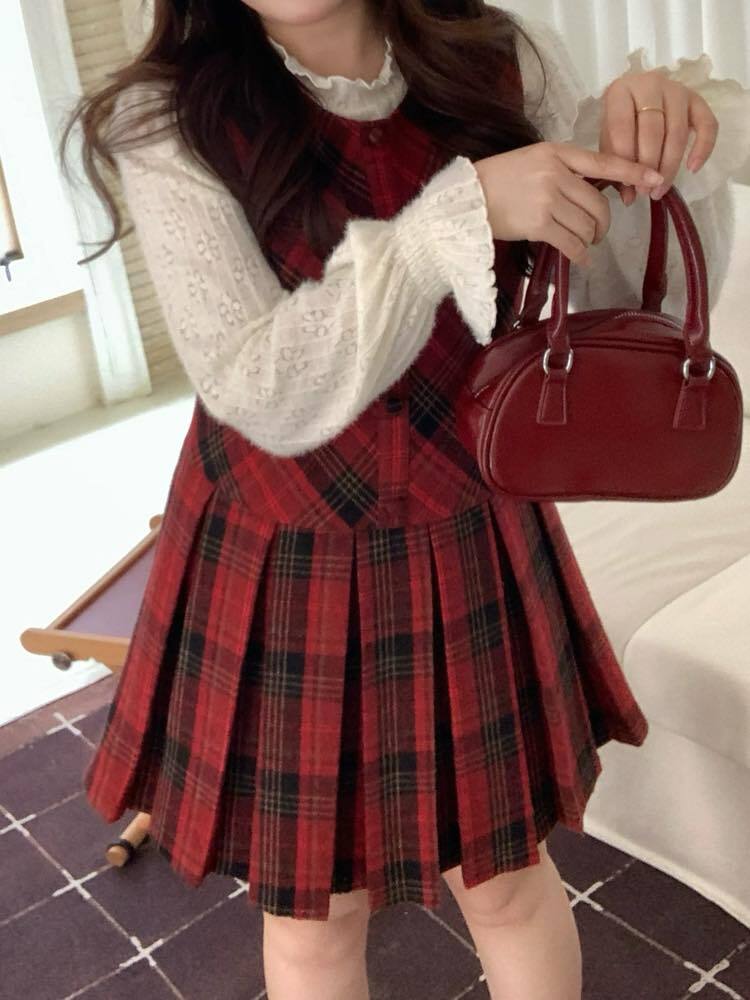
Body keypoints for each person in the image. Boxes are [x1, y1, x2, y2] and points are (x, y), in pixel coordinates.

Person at [62, 1, 750, 998]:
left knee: (506, 879)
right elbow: (259, 384)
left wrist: (646, 153)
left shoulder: (496, 56)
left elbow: (609, 296)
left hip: (466, 527)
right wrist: (448, 226)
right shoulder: (169, 118)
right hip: (283, 557)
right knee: (316, 918)